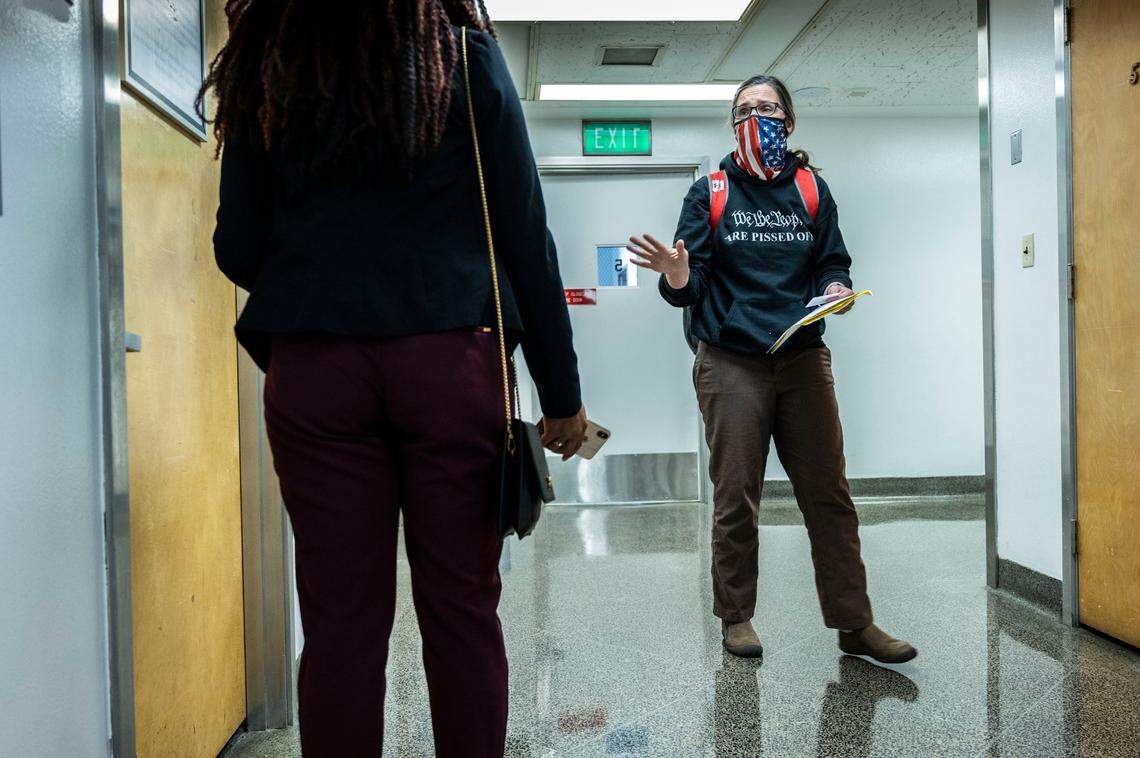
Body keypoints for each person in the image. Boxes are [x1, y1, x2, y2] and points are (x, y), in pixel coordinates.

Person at [200, 3, 587, 755]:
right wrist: (562, 394)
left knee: (340, 620)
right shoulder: (465, 58)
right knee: (463, 609)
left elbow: (237, 246)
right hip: (449, 362)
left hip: (315, 370)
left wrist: (320, 272)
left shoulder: (266, 65)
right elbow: (522, 235)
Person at [627, 75, 916, 664]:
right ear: (732, 123)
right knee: (737, 494)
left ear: (788, 120)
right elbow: (692, 282)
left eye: (767, 107)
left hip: (803, 356)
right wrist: (678, 275)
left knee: (828, 493)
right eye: (744, 109)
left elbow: (831, 259)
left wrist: (836, 286)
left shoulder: (811, 189)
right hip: (732, 359)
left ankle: (854, 623)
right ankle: (736, 618)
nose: (755, 116)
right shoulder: (709, 191)